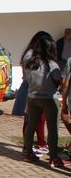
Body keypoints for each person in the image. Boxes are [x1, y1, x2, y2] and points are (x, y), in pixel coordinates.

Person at [22, 36, 64, 167]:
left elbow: (26, 78)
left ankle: (28, 153)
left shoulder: (29, 62)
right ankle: (53, 157)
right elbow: (58, 79)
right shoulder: (51, 64)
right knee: (52, 129)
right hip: (49, 98)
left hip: (32, 97)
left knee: (31, 126)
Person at [15, 31, 53, 153]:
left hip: (35, 90)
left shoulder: (33, 54)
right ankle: (30, 146)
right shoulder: (31, 55)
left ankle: (36, 145)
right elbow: (33, 76)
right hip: (31, 90)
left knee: (38, 119)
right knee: (31, 120)